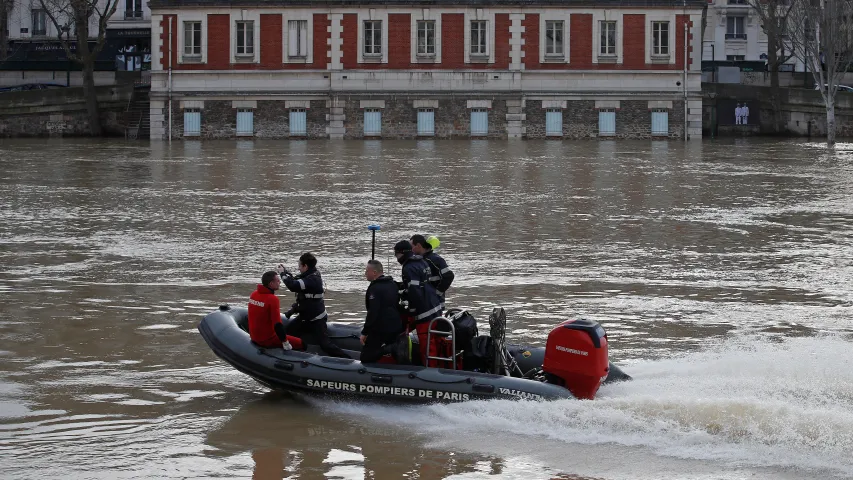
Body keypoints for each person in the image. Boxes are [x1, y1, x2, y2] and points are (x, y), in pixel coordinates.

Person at [277, 252, 350, 359]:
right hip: (305, 317)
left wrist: (282, 274)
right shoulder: (310, 275)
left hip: (316, 319)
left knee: (325, 345)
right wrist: (287, 272)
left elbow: (293, 285)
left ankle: (348, 360)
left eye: (299, 266)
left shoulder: (312, 279)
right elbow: (296, 281)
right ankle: (292, 355)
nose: (298, 269)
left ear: (305, 266)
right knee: (287, 333)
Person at [394, 240, 443, 365]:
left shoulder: (408, 267)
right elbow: (421, 284)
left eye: (397, 255)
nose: (397, 258)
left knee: (427, 346)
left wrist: (410, 311)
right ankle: (441, 366)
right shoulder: (421, 261)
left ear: (402, 253)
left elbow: (414, 292)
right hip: (434, 306)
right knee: (436, 341)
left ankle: (430, 374)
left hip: (424, 312)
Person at [360, 260, 404, 363]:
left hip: (381, 328)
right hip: (395, 325)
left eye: (367, 271)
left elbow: (373, 313)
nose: (365, 274)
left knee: (365, 357)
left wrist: (365, 332)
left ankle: (389, 349)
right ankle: (390, 351)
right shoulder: (392, 284)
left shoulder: (375, 288)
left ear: (374, 272)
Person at [247, 271, 305, 350]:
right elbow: (277, 324)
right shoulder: (272, 299)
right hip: (267, 339)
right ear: (271, 284)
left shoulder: (253, 294)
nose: (280, 282)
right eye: (277, 280)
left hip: (254, 337)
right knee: (302, 343)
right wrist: (285, 342)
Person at [411, 234, 454, 311]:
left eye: (412, 247)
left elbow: (449, 276)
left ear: (418, 245)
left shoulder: (435, 259)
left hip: (436, 304)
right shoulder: (419, 260)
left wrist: (437, 293)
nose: (411, 250)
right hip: (426, 304)